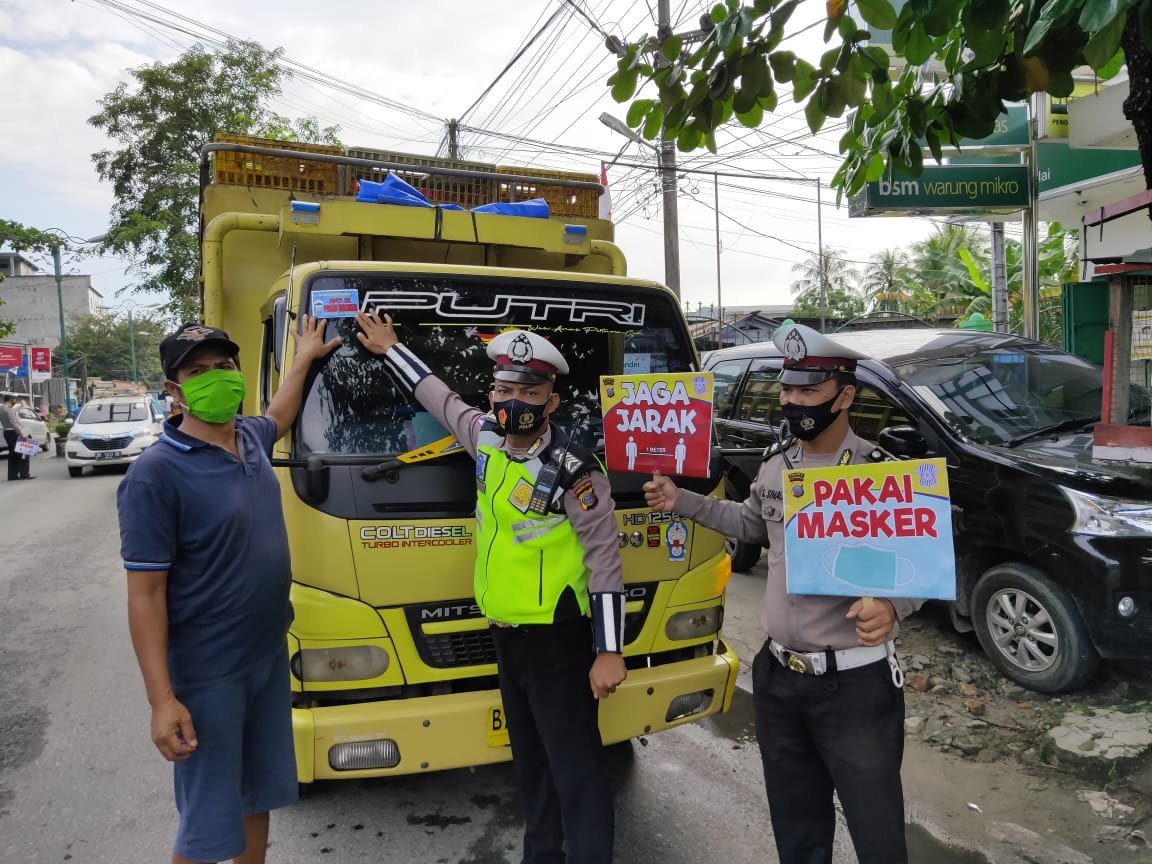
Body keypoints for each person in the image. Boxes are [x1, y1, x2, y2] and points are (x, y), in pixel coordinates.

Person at [644, 321, 922, 864]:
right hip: (777, 677)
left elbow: (923, 564)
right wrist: (682, 501)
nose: (792, 402)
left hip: (855, 683)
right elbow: (750, 525)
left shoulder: (879, 474)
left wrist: (894, 607)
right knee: (796, 825)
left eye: (807, 391)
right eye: (787, 389)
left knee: (876, 827)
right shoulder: (778, 463)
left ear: (844, 396)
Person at [356, 311, 627, 864]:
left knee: (574, 769)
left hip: (558, 640)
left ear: (551, 400)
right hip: (504, 636)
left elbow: (605, 560)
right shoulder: (486, 440)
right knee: (529, 763)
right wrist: (390, 349)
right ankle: (541, 855)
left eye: (528, 390)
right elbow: (438, 397)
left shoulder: (574, 469)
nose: (513, 400)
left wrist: (609, 650)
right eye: (504, 388)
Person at [117, 317, 341, 864]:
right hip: (208, 673)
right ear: (175, 389)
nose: (216, 378)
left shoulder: (249, 439)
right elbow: (145, 595)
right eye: (198, 371)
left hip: (264, 660)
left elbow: (280, 413)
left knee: (255, 800)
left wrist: (304, 357)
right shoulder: (155, 474)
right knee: (207, 825)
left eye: (224, 366)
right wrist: (162, 701)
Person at [1, 394, 33, 481]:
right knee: (24, 452)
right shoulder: (9, 409)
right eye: (14, 399)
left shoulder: (2, 408)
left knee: (13, 455)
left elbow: (15, 410)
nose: (15, 401)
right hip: (14, 432)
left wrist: (21, 406)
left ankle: (12, 475)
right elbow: (13, 422)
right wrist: (21, 433)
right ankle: (24, 474)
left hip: (7, 432)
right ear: (10, 400)